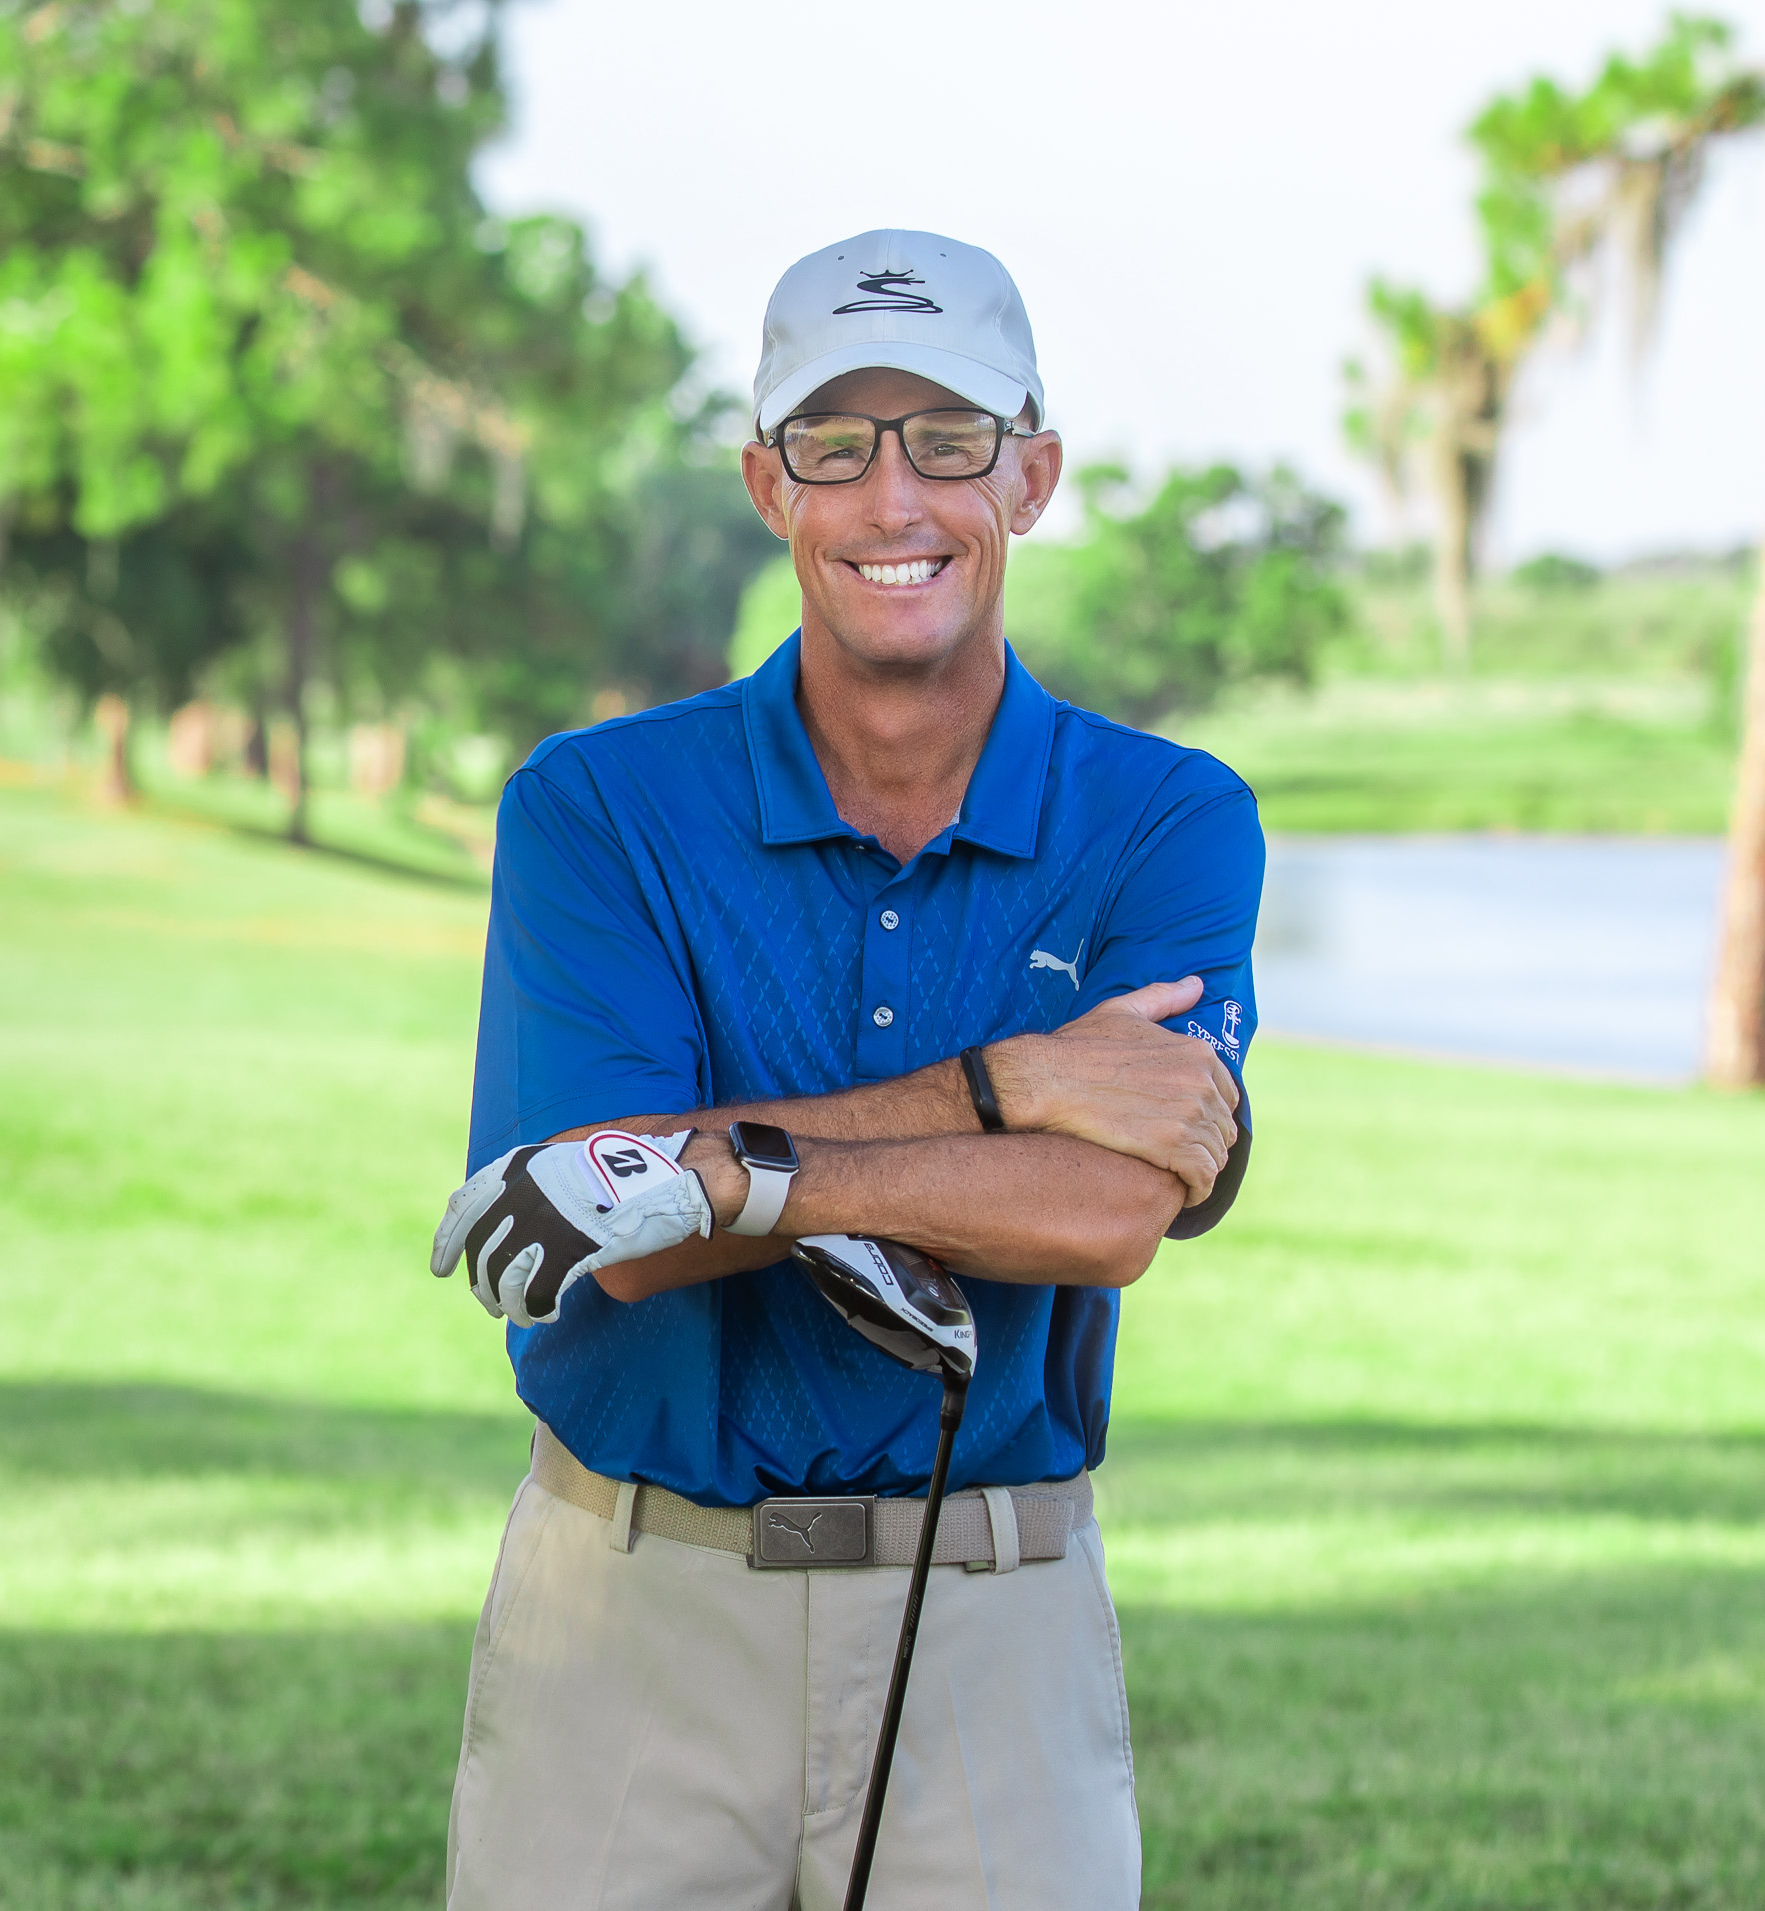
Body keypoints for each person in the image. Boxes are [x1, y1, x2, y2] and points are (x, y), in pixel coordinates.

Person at [429, 229, 1263, 1909]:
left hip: (993, 1628)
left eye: (949, 441)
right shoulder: (597, 806)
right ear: (766, 482)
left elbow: (1107, 1206)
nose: (896, 500)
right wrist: (999, 1089)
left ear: (1030, 474)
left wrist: (734, 1168)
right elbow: (612, 1224)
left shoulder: (1169, 816)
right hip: (633, 1612)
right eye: (838, 443)